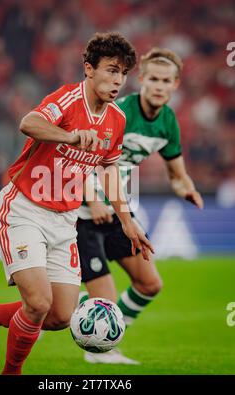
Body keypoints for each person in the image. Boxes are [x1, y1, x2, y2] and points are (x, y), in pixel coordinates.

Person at [0, 32, 154, 375]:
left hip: (65, 220)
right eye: (110, 70)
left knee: (60, 316)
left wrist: (126, 219)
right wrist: (69, 135)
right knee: (38, 302)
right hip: (25, 209)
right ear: (88, 69)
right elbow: (28, 123)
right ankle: (11, 373)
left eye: (122, 73)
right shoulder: (67, 98)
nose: (118, 80)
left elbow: (108, 168)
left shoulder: (117, 120)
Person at [76, 47, 204, 364]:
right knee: (90, 303)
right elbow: (78, 161)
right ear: (142, 80)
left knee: (149, 283)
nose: (160, 86)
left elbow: (177, 174)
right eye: (154, 79)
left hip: (118, 212)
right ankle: (96, 345)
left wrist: (186, 188)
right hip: (81, 212)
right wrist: (92, 200)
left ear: (175, 85)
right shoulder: (117, 113)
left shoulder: (168, 122)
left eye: (167, 81)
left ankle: (104, 337)